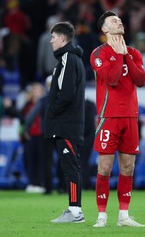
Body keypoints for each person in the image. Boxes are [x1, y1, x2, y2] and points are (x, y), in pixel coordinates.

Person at [90, 11, 145, 228]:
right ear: (105, 29)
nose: (119, 22)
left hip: (131, 116)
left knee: (128, 168)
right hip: (109, 116)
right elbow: (112, 79)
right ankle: (102, 216)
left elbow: (141, 79)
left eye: (120, 20)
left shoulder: (133, 52)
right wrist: (118, 54)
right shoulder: (98, 53)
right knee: (104, 168)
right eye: (114, 21)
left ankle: (124, 215)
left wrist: (125, 55)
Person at [44, 21, 86, 223]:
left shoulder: (68, 58)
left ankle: (75, 212)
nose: (50, 41)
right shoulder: (68, 58)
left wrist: (52, 112)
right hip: (68, 123)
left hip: (66, 124)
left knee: (71, 167)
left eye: (53, 37)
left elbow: (66, 95)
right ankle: (74, 209)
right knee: (71, 166)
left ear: (62, 38)